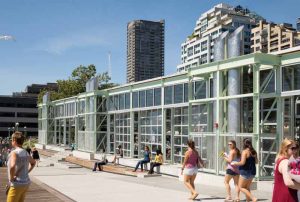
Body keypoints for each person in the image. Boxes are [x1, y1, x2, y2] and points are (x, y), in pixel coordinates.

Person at [7, 132, 36, 202]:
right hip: (25, 183)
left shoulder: (14, 152)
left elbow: (12, 166)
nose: (11, 141)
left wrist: (11, 179)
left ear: (14, 140)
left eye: (11, 139)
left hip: (16, 184)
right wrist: (27, 172)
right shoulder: (25, 152)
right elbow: (33, 162)